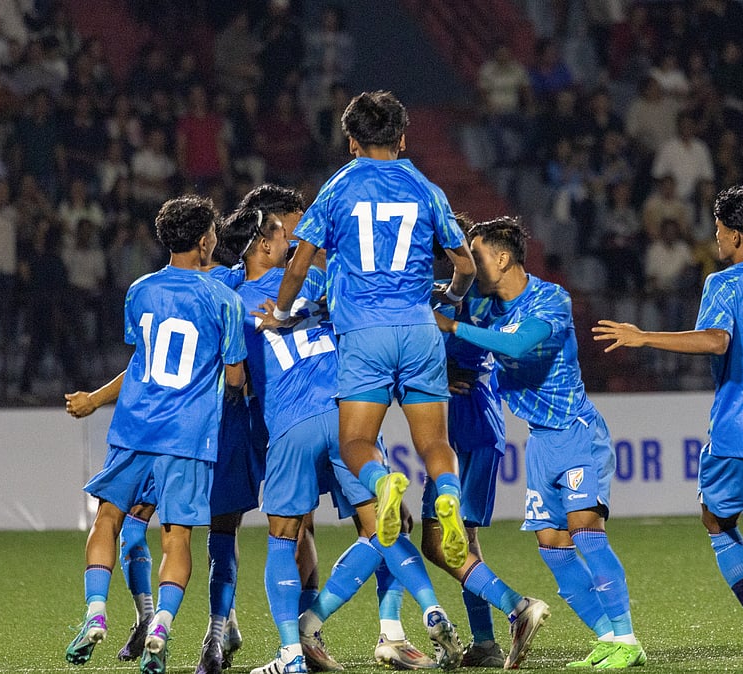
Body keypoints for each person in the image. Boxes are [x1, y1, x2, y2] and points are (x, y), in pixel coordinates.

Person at [592, 185, 743, 668]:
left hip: (742, 428)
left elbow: (716, 341)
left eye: (721, 229)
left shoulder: (723, 283)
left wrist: (645, 337)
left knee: (717, 520)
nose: (717, 237)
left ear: (738, 236)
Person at [217, 205, 461, 673]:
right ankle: (430, 608)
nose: (288, 239)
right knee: (386, 528)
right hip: (349, 417)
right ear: (264, 245)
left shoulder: (232, 301)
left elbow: (234, 375)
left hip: (289, 424)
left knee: (283, 539)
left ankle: (291, 653)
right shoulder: (312, 282)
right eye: (279, 233)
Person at [260, 91, 476, 574]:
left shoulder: (337, 189)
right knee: (436, 444)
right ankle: (447, 497)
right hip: (420, 330)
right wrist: (452, 296)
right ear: (401, 137)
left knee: (357, 441)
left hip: (363, 333)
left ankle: (382, 484)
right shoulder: (426, 188)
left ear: (352, 142)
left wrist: (281, 311)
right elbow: (464, 264)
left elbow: (297, 266)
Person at [433, 217, 645, 668]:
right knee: (552, 546)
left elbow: (517, 346)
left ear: (504, 258)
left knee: (586, 534)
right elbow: (446, 319)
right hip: (540, 440)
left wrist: (452, 329)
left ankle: (628, 640)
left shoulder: (550, 299)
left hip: (575, 430)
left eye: (478, 255)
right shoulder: (484, 307)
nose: (471, 264)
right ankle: (607, 638)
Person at [64, 195, 248, 674]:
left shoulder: (140, 290)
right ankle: (161, 628)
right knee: (177, 537)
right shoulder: (222, 299)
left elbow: (144, 362)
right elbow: (234, 378)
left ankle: (96, 614)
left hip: (134, 428)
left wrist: (95, 399)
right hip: (187, 437)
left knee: (108, 518)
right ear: (207, 238)